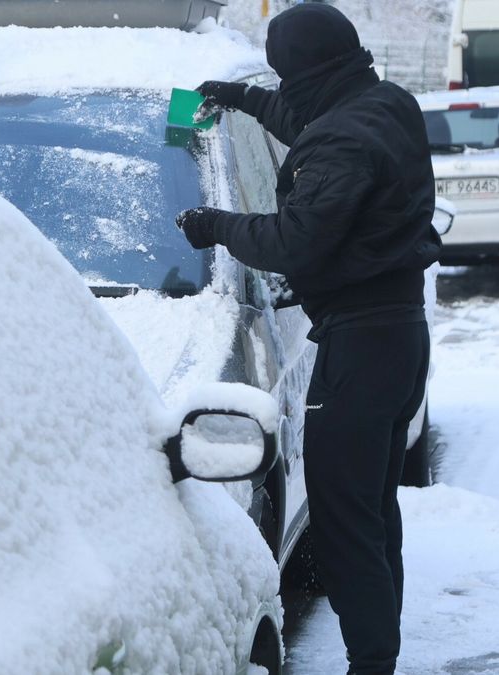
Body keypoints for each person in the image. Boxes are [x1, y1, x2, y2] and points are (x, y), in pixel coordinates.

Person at [174, 5, 442, 674]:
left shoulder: (341, 143)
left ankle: (373, 661)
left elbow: (296, 240)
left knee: (347, 523)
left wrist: (214, 225)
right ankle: (379, 652)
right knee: (370, 511)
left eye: (286, 75)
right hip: (399, 337)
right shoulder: (385, 105)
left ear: (308, 71)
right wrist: (241, 99)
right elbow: (310, 123)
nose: (286, 90)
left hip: (360, 349)